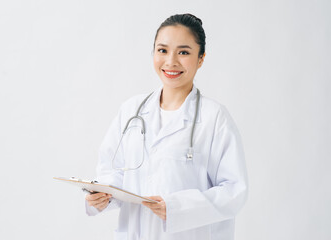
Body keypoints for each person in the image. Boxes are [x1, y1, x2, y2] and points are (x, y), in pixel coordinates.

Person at [85, 13, 247, 240]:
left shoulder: (214, 117)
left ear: (201, 58)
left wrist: (177, 207)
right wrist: (102, 195)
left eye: (183, 52)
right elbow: (113, 172)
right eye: (162, 50)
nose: (171, 61)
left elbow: (234, 191)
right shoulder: (131, 111)